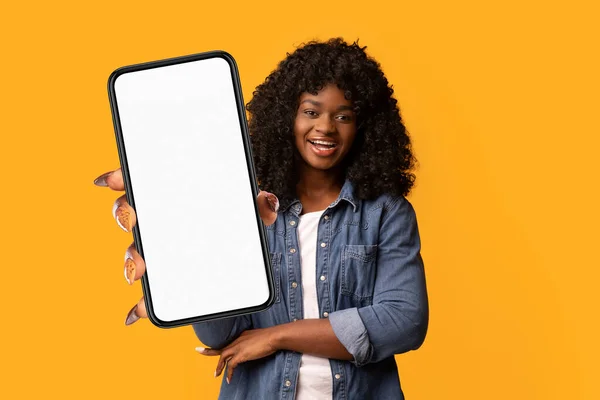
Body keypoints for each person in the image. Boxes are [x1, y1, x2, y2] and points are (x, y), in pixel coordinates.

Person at [94, 37, 429, 400]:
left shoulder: (385, 213)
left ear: (364, 126)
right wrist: (189, 252)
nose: (326, 128)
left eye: (343, 116)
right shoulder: (245, 208)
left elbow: (403, 321)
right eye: (311, 112)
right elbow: (219, 335)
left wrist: (274, 336)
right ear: (287, 116)